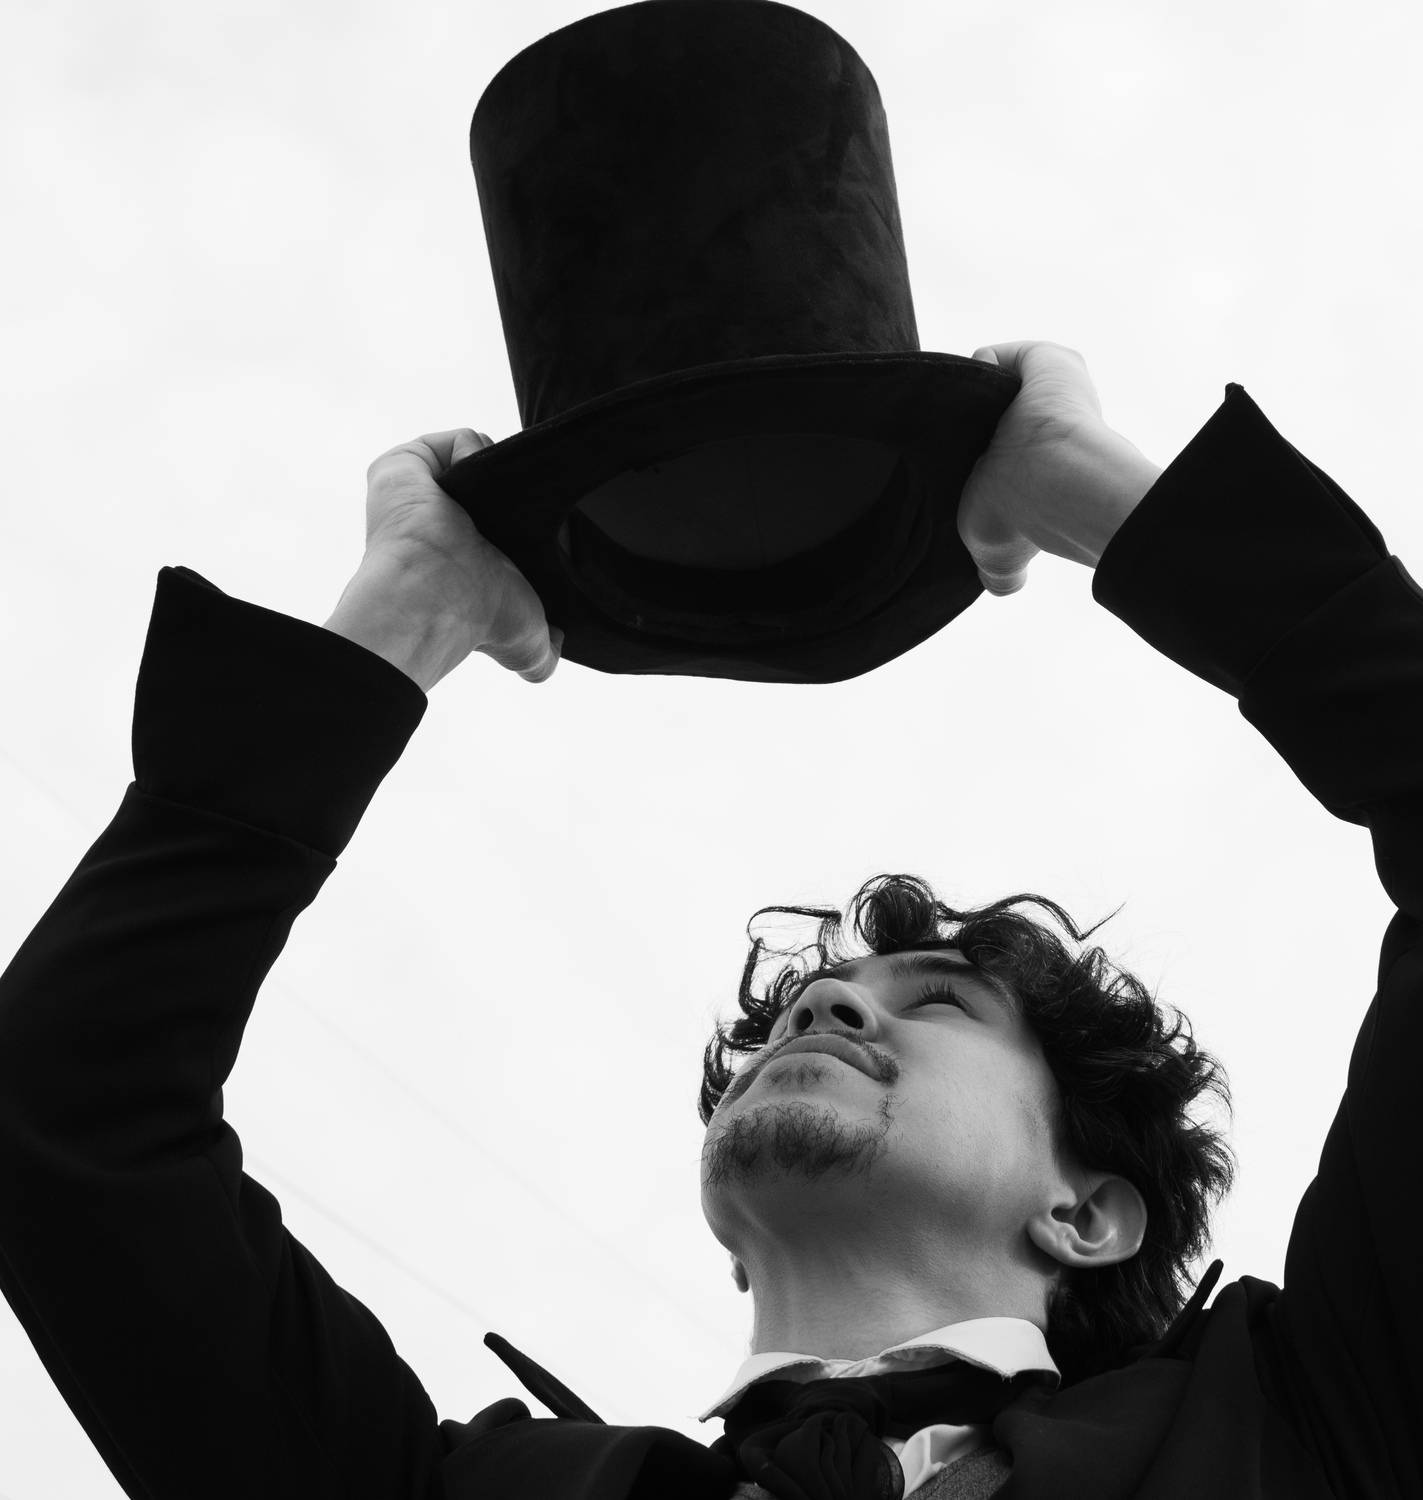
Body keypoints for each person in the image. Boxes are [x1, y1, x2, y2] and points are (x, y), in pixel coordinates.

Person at [0, 342, 1414, 1500]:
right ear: (733, 1238)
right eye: (806, 1008)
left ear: (1086, 1214)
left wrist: (1096, 493)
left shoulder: (1310, 1424)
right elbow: (66, 1107)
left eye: (937, 1000)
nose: (824, 1004)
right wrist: (403, 616)